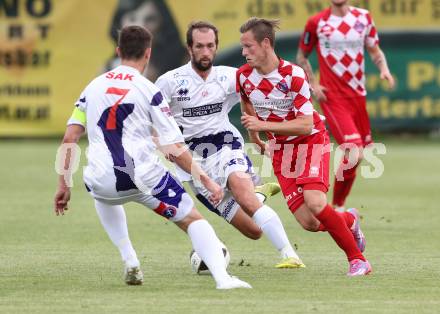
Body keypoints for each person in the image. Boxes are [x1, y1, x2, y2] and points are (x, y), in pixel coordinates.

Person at [54, 25, 251, 290]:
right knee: (194, 220)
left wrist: (64, 184)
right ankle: (223, 279)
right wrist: (207, 180)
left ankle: (130, 258)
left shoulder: (93, 87)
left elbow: (70, 139)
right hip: (145, 178)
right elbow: (175, 149)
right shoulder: (149, 91)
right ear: (148, 54)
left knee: (102, 193)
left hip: (103, 181)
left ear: (118, 51)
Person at [155, 21, 304, 269]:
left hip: (225, 146)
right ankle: (260, 192)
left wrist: (256, 135)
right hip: (191, 162)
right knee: (254, 230)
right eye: (199, 46)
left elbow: (249, 98)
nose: (205, 52)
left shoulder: (230, 76)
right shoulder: (169, 82)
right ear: (189, 47)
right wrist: (163, 145)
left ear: (216, 47)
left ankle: (289, 254)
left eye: (210, 46)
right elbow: (154, 123)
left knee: (242, 193)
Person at [238, 17, 371, 276]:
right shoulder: (243, 76)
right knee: (309, 222)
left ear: (266, 44)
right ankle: (349, 220)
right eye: (242, 47)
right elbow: (246, 103)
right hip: (280, 152)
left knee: (316, 203)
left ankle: (358, 260)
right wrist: (256, 137)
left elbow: (304, 124)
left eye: (248, 46)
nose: (243, 52)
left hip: (310, 142)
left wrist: (262, 124)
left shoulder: (293, 75)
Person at [296, 0, 395, 210]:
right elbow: (301, 56)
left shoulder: (363, 17)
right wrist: (313, 83)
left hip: (358, 96)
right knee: (354, 152)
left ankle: (337, 205)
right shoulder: (317, 22)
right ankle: (336, 208)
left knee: (358, 155)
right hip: (332, 97)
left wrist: (384, 69)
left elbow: (375, 51)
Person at [104, 0, 187, 81]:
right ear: (119, 24)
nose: (141, 27)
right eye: (132, 19)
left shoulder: (186, 62)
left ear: (163, 25)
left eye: (150, 19)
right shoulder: (110, 68)